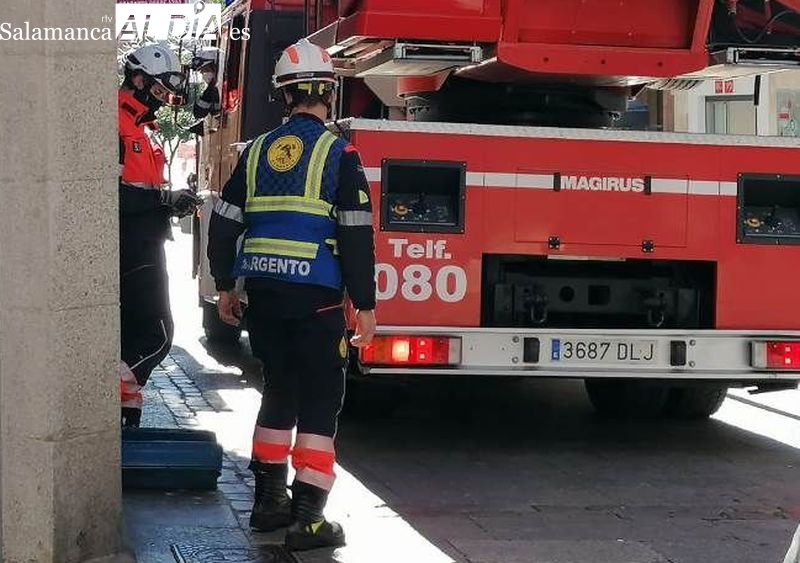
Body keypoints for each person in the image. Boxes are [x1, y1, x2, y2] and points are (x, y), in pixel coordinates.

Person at [207, 38, 376, 551]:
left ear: (283, 95)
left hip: (265, 295)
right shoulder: (339, 154)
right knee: (322, 400)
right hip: (318, 298)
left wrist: (223, 286)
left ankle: (266, 503)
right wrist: (364, 305)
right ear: (329, 91)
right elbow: (354, 233)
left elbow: (222, 224)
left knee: (279, 390)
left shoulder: (255, 152)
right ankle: (309, 518)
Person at [119, 42, 202, 427]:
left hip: (146, 239)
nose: (163, 100)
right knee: (157, 334)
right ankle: (108, 389)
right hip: (131, 243)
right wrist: (164, 200)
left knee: (132, 336)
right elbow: (108, 193)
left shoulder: (142, 127)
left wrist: (170, 202)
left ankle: (124, 417)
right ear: (137, 79)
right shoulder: (116, 121)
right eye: (157, 90)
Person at [190, 47, 221, 119]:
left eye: (206, 69)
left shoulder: (222, 84)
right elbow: (199, 113)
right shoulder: (211, 89)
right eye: (202, 71)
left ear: (215, 66)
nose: (203, 73)